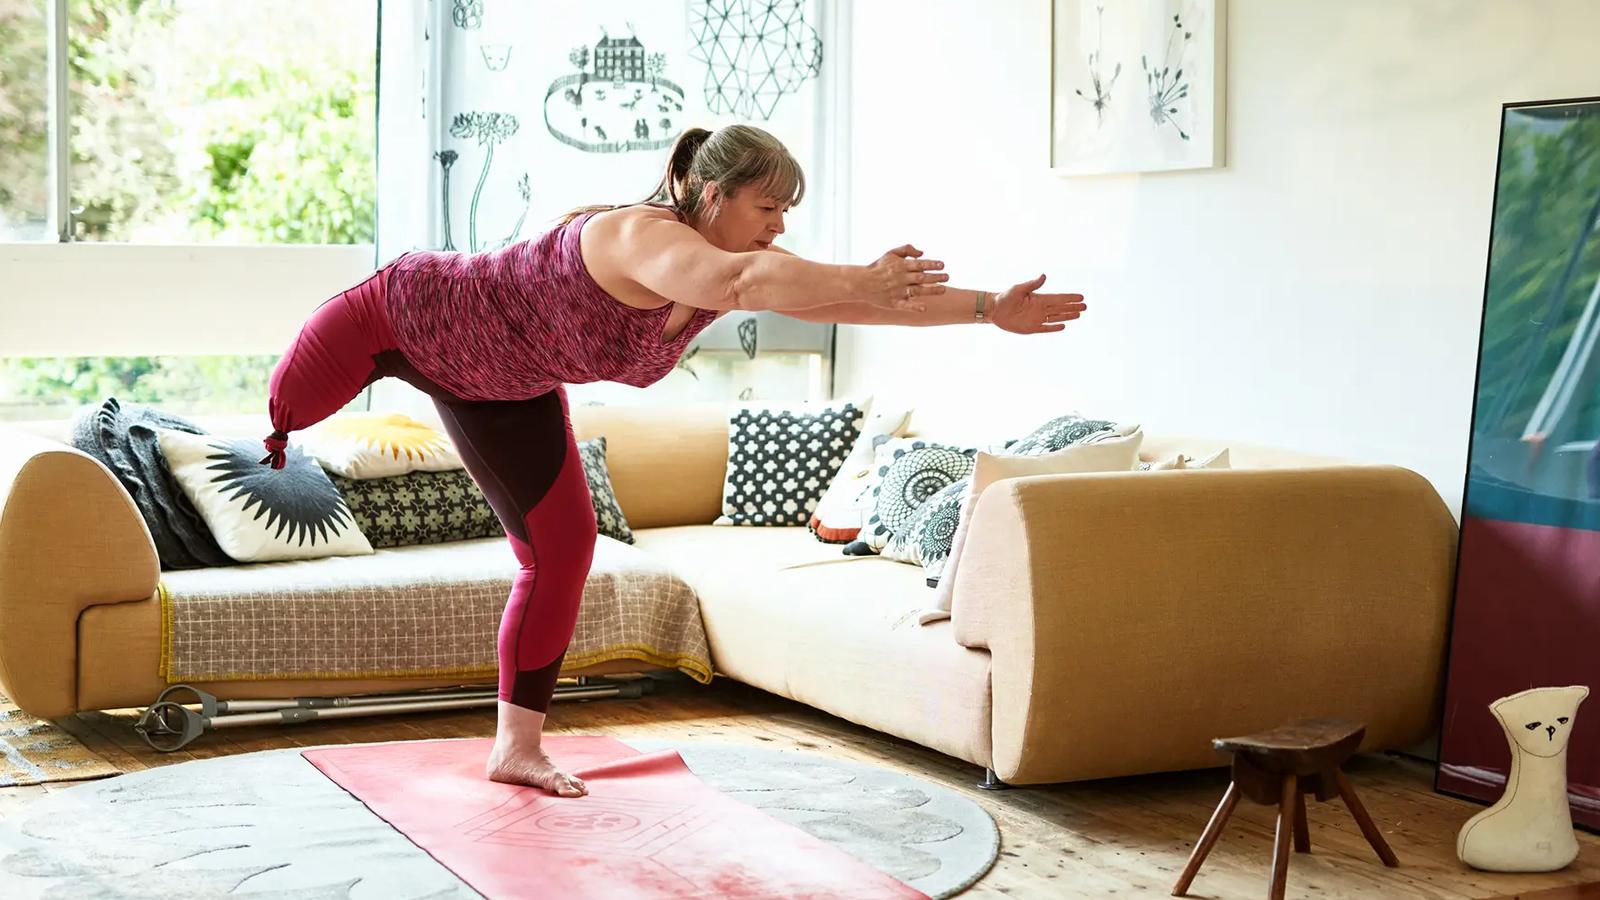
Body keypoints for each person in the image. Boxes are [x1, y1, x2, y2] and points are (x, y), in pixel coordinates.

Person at [258, 124, 1088, 798]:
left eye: (788, 211)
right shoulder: (641, 235)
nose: (781, 225)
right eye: (769, 205)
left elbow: (845, 300)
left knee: (563, 552)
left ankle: (516, 747)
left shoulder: (737, 268)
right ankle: (271, 434)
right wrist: (859, 278)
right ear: (711, 194)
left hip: (504, 389)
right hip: (401, 315)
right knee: (283, 413)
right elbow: (748, 277)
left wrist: (987, 309)